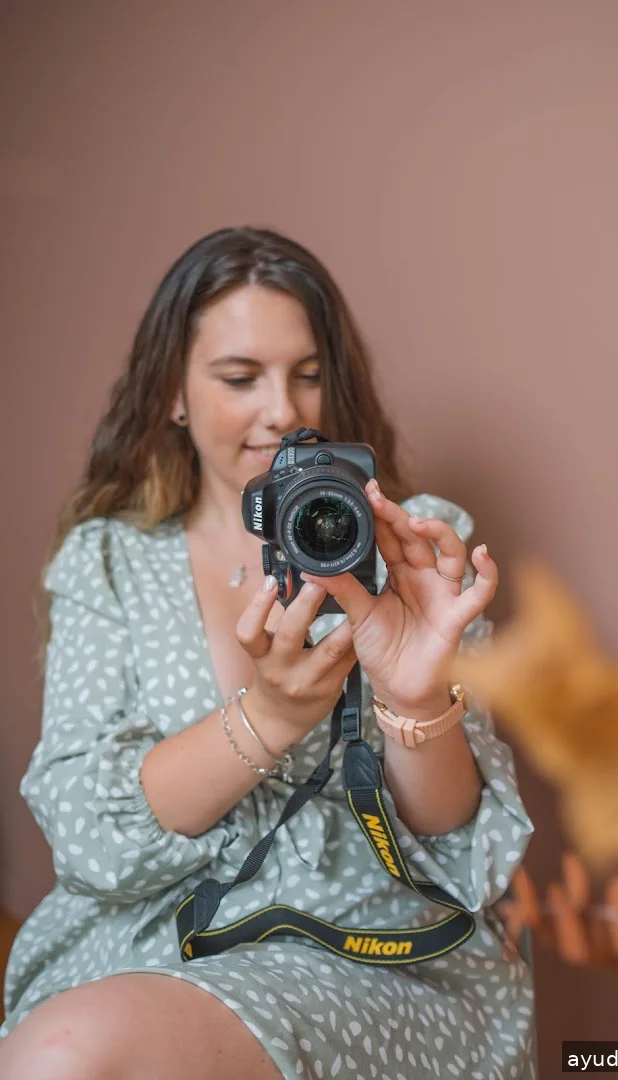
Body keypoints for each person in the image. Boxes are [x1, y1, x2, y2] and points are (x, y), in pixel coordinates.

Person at [0, 227, 536, 1079]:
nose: (283, 410)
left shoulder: (413, 540)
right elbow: (86, 833)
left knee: (70, 1055)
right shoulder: (110, 561)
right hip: (159, 933)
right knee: (58, 1051)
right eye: (240, 377)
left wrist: (414, 696)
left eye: (307, 374)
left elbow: (456, 837)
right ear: (174, 393)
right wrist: (271, 716)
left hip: (371, 941)